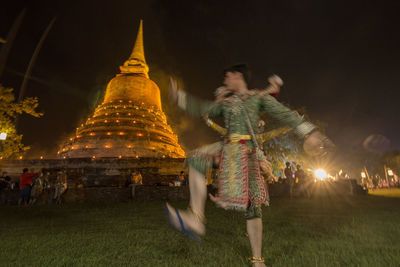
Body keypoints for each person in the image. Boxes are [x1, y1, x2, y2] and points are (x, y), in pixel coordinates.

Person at [164, 64, 334, 266]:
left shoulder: (258, 97)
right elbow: (203, 107)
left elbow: (284, 114)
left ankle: (257, 260)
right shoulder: (227, 102)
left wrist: (310, 132)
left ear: (238, 76)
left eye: (227, 76)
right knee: (196, 158)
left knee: (254, 206)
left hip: (251, 152)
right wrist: (179, 97)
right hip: (229, 148)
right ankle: (195, 218)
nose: (225, 81)